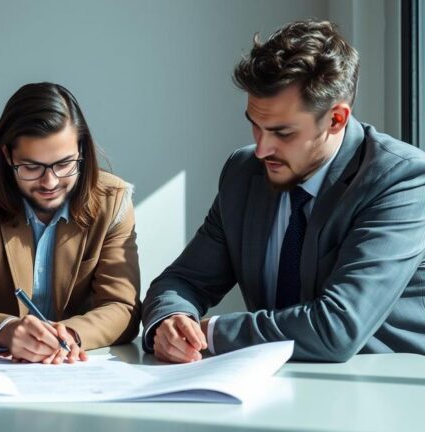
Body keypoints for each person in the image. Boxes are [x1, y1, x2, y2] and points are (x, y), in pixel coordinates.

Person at [142, 19, 425, 363]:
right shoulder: (243, 172)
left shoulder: (401, 179)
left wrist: (209, 333)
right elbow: (184, 279)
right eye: (255, 125)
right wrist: (172, 320)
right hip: (271, 386)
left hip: (387, 392)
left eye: (283, 133)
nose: (261, 149)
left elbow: (335, 328)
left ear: (336, 119)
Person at [0, 82, 140, 364]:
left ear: (82, 150)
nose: (50, 182)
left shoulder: (112, 201)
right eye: (31, 167)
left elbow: (122, 307)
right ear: (7, 156)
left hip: (77, 371)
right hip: (0, 373)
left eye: (64, 165)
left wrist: (70, 335)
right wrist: (6, 331)